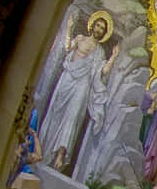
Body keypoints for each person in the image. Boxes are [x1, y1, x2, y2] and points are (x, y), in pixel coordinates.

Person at [37, 14, 112, 168]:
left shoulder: (100, 52)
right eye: (98, 26)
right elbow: (67, 48)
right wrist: (69, 28)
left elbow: (103, 71)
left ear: (104, 33)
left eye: (102, 29)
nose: (98, 29)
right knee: (56, 112)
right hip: (67, 78)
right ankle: (43, 148)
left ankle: (60, 155)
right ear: (92, 25)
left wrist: (114, 57)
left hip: (83, 84)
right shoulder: (80, 38)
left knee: (72, 117)